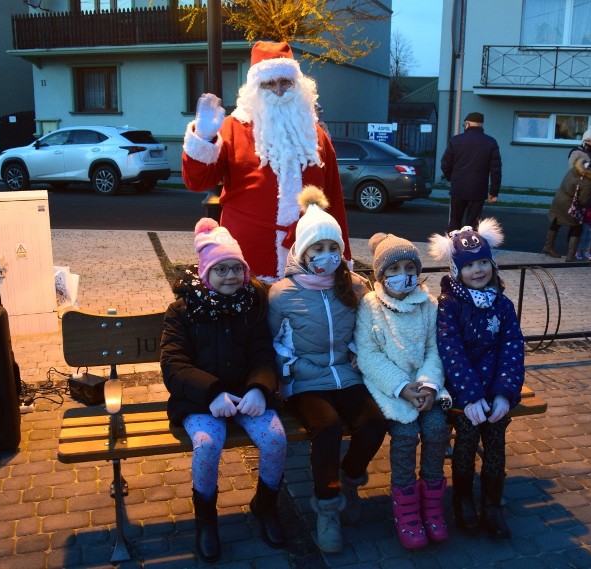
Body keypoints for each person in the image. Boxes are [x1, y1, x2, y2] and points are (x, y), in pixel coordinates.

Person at [160, 218, 287, 563]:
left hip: (247, 396)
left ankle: (265, 505)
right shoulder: (183, 311)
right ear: (205, 272)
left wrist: (260, 388)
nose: (231, 276)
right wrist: (212, 393)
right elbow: (173, 365)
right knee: (207, 442)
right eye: (222, 269)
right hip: (201, 399)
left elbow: (263, 352)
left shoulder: (251, 304)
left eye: (236, 268)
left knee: (275, 438)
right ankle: (205, 518)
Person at [267, 186, 386, 553]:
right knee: (328, 426)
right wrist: (297, 371)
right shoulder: (284, 293)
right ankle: (328, 507)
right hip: (304, 383)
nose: (327, 255)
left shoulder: (353, 284)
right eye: (317, 249)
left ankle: (350, 479)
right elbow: (274, 345)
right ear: (302, 252)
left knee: (372, 424)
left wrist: (356, 359)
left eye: (333, 248)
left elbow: (371, 328)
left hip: (346, 377)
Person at [182, 41, 351, 282]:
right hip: (244, 264)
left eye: (286, 82)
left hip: (307, 264)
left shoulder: (315, 135)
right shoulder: (232, 128)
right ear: (254, 88)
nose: (279, 91)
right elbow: (196, 182)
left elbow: (334, 203)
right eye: (269, 83)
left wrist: (345, 261)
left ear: (298, 85)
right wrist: (203, 137)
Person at [428, 218, 525, 540]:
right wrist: (470, 397)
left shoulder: (503, 304)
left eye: (484, 262)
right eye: (470, 265)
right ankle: (463, 499)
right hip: (462, 391)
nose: (479, 270)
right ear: (457, 270)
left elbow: (512, 348)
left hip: (495, 389)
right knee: (467, 438)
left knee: (496, 439)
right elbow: (450, 350)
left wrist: (503, 393)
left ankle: (493, 504)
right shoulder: (449, 305)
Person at [354, 233, 450, 549]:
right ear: (381, 274)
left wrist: (427, 385)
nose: (403, 274)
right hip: (391, 389)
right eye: (394, 268)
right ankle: (406, 509)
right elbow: (368, 354)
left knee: (436, 430)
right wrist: (401, 387)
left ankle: (432, 505)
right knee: (406, 436)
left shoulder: (428, 304)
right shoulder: (371, 305)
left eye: (410, 267)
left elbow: (435, 349)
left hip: (426, 387)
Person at [440, 112, 502, 232]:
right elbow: (496, 170)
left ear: (467, 124)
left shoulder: (456, 140)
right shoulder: (491, 142)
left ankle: (452, 248)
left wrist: (451, 178)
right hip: (478, 190)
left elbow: (445, 163)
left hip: (458, 188)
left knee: (454, 223)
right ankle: (470, 248)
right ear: (481, 125)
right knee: (473, 225)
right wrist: (494, 192)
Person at [542, 150, 591, 261]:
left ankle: (548, 246)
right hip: (570, 204)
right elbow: (584, 200)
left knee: (556, 223)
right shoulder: (590, 179)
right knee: (577, 227)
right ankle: (570, 256)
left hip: (559, 199)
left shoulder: (576, 168)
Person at [568, 125, 591, 261]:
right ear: (584, 140)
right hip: (581, 188)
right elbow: (573, 169)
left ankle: (587, 250)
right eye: (589, 140)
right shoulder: (577, 152)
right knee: (578, 222)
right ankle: (573, 251)